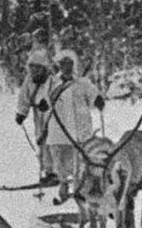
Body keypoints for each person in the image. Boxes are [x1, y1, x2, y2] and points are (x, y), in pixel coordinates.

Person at [42, 49, 105, 200]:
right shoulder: (52, 83)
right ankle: (63, 185)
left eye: (69, 63)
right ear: (59, 65)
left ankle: (80, 187)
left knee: (79, 162)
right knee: (59, 160)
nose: (67, 66)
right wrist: (43, 105)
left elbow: (94, 95)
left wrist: (98, 100)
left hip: (78, 130)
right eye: (63, 63)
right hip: (58, 129)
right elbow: (44, 99)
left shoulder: (82, 83)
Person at [14, 49, 56, 185]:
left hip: (54, 117)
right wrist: (21, 113)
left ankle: (56, 171)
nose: (34, 71)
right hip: (38, 115)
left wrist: (48, 103)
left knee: (53, 142)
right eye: (31, 68)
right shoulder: (29, 81)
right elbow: (24, 97)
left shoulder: (52, 80)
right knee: (41, 141)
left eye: (37, 68)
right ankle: (47, 170)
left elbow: (58, 95)